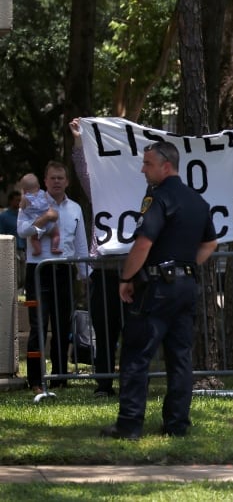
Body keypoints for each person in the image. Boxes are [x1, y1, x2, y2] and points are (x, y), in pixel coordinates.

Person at [101, 140, 217, 440]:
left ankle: (129, 424)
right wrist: (187, 267)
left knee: (137, 354)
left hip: (156, 288)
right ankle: (177, 424)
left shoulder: (158, 198)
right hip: (186, 287)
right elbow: (210, 244)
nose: (142, 169)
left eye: (147, 164)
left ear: (166, 165)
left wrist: (126, 278)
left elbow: (143, 243)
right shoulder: (197, 200)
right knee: (180, 358)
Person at [17, 161, 89, 395]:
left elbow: (80, 243)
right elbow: (22, 231)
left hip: (65, 270)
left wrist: (85, 273)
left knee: (62, 324)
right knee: (38, 326)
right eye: (52, 178)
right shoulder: (31, 201)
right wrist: (44, 220)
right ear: (45, 181)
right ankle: (36, 379)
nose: (57, 182)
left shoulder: (75, 208)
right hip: (38, 271)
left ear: (67, 181)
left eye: (61, 178)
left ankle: (60, 376)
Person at [71, 117, 128, 397]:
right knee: (105, 331)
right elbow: (83, 170)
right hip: (104, 271)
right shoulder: (100, 191)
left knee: (133, 331)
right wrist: (79, 139)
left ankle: (130, 381)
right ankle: (104, 384)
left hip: (132, 269)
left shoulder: (142, 192)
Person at [19, 173, 61, 256]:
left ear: (24, 189)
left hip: (37, 224)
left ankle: (37, 250)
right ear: (38, 186)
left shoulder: (25, 198)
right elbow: (48, 204)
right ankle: (54, 247)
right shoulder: (43, 193)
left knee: (34, 239)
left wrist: (23, 197)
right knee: (56, 234)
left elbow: (22, 208)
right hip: (49, 224)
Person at [0, 190, 26, 290]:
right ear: (11, 201)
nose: (19, 203)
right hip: (11, 250)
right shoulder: (4, 217)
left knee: (23, 277)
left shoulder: (23, 216)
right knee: (15, 277)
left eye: (20, 200)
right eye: (17, 200)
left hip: (23, 249)